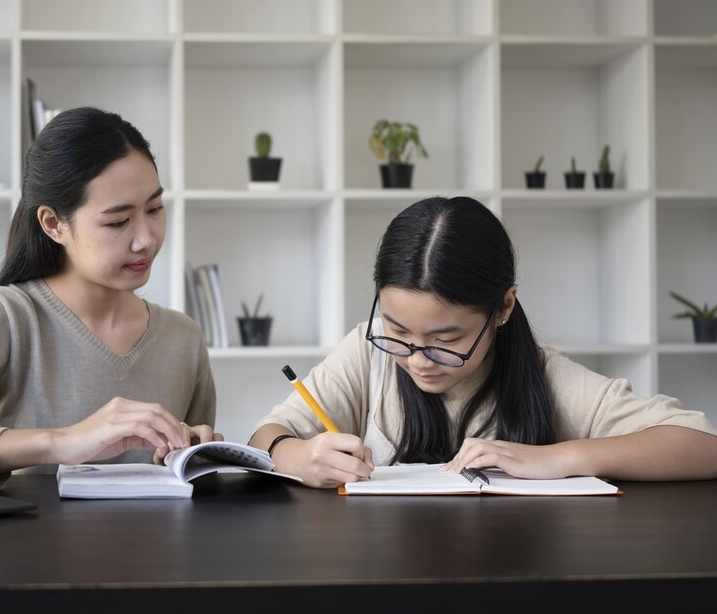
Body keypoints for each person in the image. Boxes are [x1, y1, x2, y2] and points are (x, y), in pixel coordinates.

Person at [248, 195, 717, 489]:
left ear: (504, 308)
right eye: (398, 332)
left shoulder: (545, 375)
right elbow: (265, 436)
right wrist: (299, 456)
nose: (417, 360)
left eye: (444, 340)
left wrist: (557, 458)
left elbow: (703, 443)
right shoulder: (368, 356)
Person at [0, 107, 220, 489]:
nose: (146, 239)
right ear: (53, 224)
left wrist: (192, 454)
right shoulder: (3, 317)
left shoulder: (182, 339)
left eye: (154, 209)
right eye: (118, 221)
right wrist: (63, 442)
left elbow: (190, 490)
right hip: (23, 549)